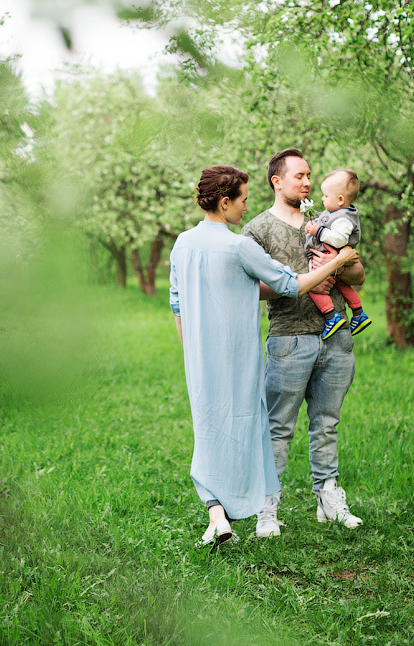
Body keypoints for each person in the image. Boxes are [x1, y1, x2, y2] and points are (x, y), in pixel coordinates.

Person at [169, 165, 359, 546]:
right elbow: (288, 284)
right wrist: (338, 261)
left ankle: (218, 515)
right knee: (246, 429)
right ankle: (248, 506)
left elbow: (176, 304)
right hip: (238, 356)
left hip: (197, 359)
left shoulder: (182, 243)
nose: (244, 209)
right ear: (224, 203)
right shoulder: (239, 244)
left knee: (208, 434)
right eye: (241, 201)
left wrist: (190, 352)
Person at [241, 149, 366, 538]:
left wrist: (343, 260)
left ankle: (328, 498)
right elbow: (255, 289)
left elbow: (358, 273)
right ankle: (267, 507)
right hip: (289, 339)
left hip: (337, 336)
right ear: (277, 181)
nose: (307, 182)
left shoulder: (326, 220)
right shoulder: (257, 230)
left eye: (310, 175)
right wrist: (308, 276)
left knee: (327, 424)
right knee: (278, 427)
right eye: (299, 176)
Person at [303, 169, 372, 339]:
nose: (322, 199)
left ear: (340, 199)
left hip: (327, 257)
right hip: (334, 259)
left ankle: (331, 316)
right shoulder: (336, 213)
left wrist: (317, 231)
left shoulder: (343, 218)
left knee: (313, 287)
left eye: (326, 196)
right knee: (342, 285)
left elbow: (340, 239)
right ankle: (358, 313)